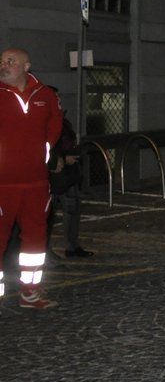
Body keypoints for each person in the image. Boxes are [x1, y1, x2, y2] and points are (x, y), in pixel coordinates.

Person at [0, 48, 64, 308]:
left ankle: (30, 293)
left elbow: (55, 126)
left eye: (10, 61)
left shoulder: (46, 95)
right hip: (2, 183)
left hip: (36, 182)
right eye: (1, 61)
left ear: (27, 66)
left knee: (36, 241)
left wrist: (44, 152)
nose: (4, 65)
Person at [47, 93, 91, 259]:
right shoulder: (47, 120)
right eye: (55, 98)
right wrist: (63, 159)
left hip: (69, 173)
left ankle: (72, 246)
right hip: (56, 174)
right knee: (50, 215)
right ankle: (48, 251)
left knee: (73, 210)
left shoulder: (62, 120)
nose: (58, 101)